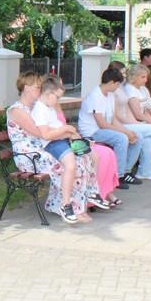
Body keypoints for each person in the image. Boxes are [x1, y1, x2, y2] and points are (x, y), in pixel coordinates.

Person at [31, 76, 109, 222]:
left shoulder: (49, 107)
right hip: (52, 143)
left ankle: (92, 191)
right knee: (71, 165)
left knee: (92, 155)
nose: (58, 100)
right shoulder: (39, 110)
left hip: (62, 139)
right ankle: (65, 204)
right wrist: (66, 129)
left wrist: (70, 133)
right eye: (57, 97)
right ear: (48, 94)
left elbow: (57, 128)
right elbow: (46, 135)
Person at [6, 72, 75, 222]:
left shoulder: (37, 107)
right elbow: (41, 134)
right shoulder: (17, 110)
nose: (41, 90)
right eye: (38, 87)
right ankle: (67, 205)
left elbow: (53, 125)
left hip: (41, 149)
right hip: (28, 156)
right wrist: (65, 132)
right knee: (66, 164)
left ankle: (65, 204)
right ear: (26, 88)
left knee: (75, 161)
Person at [79, 67, 141, 190]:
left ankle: (126, 171)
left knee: (137, 136)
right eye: (117, 84)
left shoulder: (110, 95)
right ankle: (118, 176)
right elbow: (102, 124)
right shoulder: (95, 96)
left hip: (103, 129)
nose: (118, 87)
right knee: (121, 138)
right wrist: (125, 133)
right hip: (92, 132)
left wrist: (128, 132)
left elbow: (113, 120)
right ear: (112, 82)